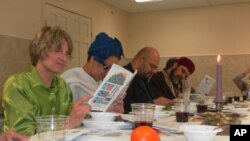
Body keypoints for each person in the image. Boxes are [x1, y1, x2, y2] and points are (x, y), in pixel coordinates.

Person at [2, 26, 91, 136]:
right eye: (57, 50)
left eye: (67, 53)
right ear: (40, 49)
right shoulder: (18, 85)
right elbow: (23, 134)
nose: (64, 58)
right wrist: (68, 124)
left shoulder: (62, 85)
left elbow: (76, 122)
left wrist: (98, 110)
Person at [61, 32, 125, 113]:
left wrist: (116, 110)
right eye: (107, 67)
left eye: (112, 70)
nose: (108, 74)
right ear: (93, 60)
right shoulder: (71, 80)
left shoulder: (102, 83)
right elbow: (65, 117)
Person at [123, 47, 160, 114]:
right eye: (152, 66)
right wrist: (153, 104)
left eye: (155, 68)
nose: (154, 71)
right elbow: (124, 108)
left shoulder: (143, 77)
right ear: (141, 60)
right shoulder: (123, 76)